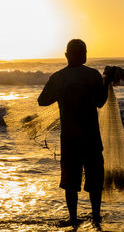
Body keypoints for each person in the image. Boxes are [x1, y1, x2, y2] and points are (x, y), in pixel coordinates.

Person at [38, 39, 112, 227]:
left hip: (70, 139)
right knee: (95, 179)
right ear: (84, 54)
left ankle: (73, 219)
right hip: (91, 137)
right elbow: (100, 102)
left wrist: (60, 93)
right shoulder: (93, 75)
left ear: (66, 56)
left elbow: (42, 101)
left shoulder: (58, 77)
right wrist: (106, 81)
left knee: (71, 182)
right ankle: (95, 216)